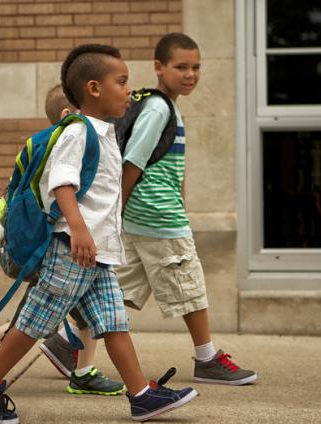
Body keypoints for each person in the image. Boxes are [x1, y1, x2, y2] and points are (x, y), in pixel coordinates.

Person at [0, 44, 198, 424]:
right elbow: (61, 183)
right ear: (94, 88)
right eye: (122, 82)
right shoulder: (78, 132)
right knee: (34, 322)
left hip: (96, 254)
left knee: (114, 321)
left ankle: (142, 396)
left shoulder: (105, 132)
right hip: (72, 249)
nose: (129, 91)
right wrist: (79, 229)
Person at [0, 84, 125, 397]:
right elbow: (58, 192)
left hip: (70, 244)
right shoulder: (67, 141)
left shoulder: (71, 140)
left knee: (78, 315)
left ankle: (83, 371)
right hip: (54, 245)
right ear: (68, 114)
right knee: (36, 318)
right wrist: (78, 228)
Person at [118, 33, 257, 386]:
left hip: (144, 213)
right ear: (159, 68)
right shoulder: (158, 107)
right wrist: (116, 206)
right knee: (189, 284)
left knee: (120, 291)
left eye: (196, 67)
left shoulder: (167, 105)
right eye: (181, 67)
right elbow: (133, 159)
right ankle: (207, 358)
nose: (190, 74)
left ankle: (65, 343)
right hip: (157, 214)